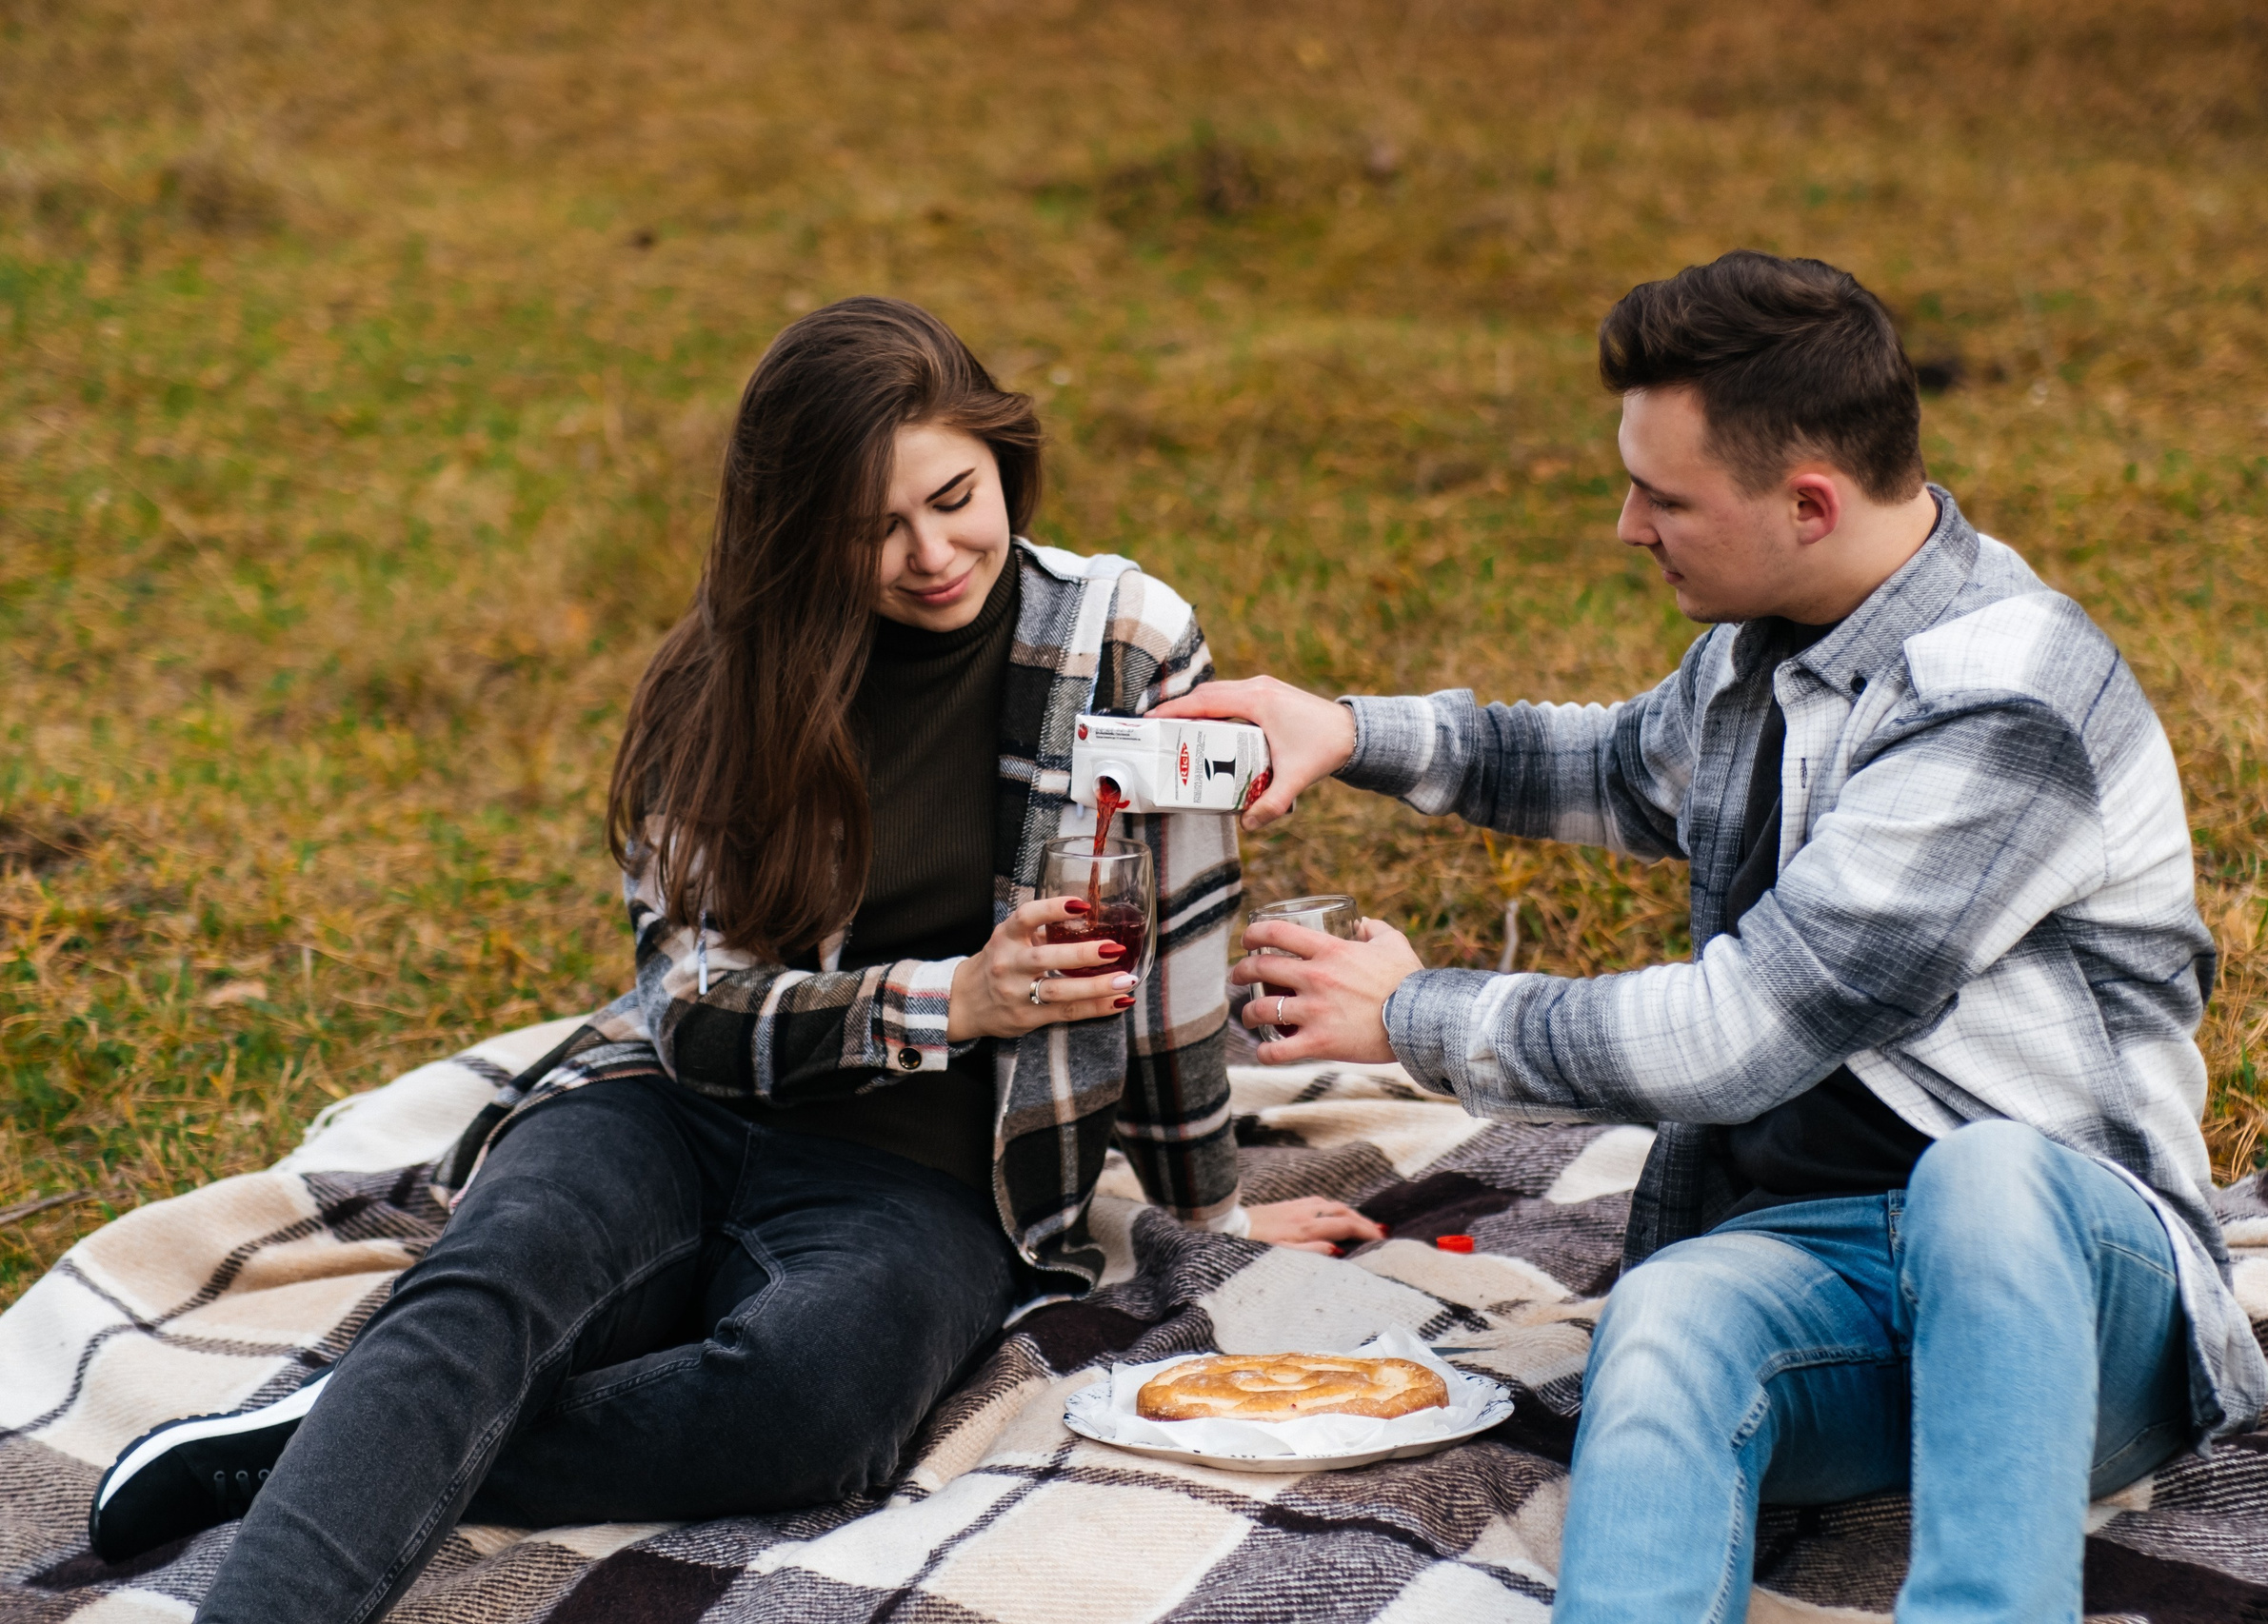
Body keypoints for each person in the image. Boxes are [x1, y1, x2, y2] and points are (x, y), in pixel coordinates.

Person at [90, 296, 1383, 1618]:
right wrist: (958, 995)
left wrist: (1205, 1210)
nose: (931, 552)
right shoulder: (725, 675)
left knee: (814, 1407)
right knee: (489, 1289)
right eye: (872, 528)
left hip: (931, 1175)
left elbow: (1175, 950)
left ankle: (335, 1446)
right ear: (795, 530)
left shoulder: (1128, 642)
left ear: (1005, 460)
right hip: (678, 1107)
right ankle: (346, 1485)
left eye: (953, 496)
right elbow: (693, 1006)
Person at [1156, 251, 2267, 1622]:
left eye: (1664, 496)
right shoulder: (1774, 638)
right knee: (1668, 1311)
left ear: (1809, 503)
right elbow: (1619, 767)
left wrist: (1417, 1013)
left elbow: (1747, 1030)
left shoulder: (2006, 701)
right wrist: (1350, 728)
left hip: (2083, 1316)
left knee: (1985, 1179)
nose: (1628, 524)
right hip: (1843, 1287)